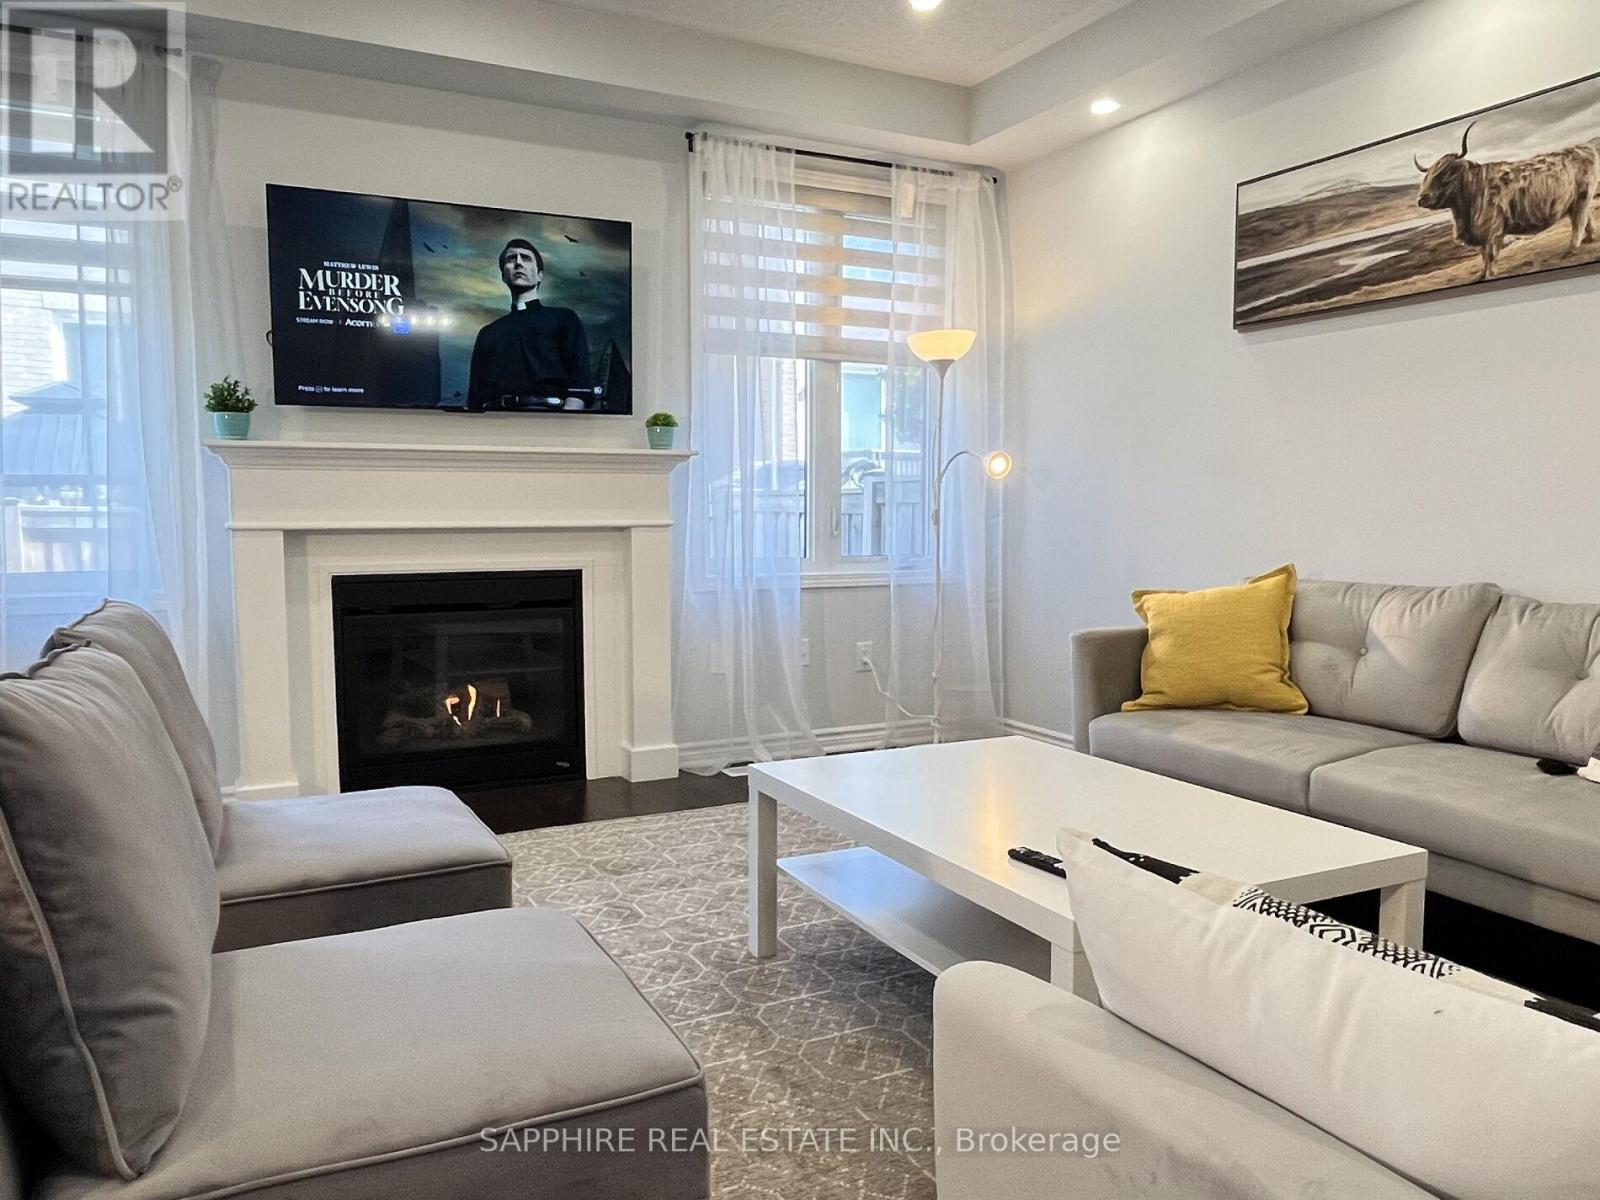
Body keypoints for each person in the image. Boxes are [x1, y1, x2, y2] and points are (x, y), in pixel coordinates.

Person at [465, 238, 592, 410]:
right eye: (511, 259)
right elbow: (475, 398)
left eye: (525, 258)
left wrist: (564, 425)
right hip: (494, 423)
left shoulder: (564, 318)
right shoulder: (488, 333)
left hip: (550, 420)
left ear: (540, 275)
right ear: (503, 275)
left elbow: (580, 384)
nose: (518, 263)